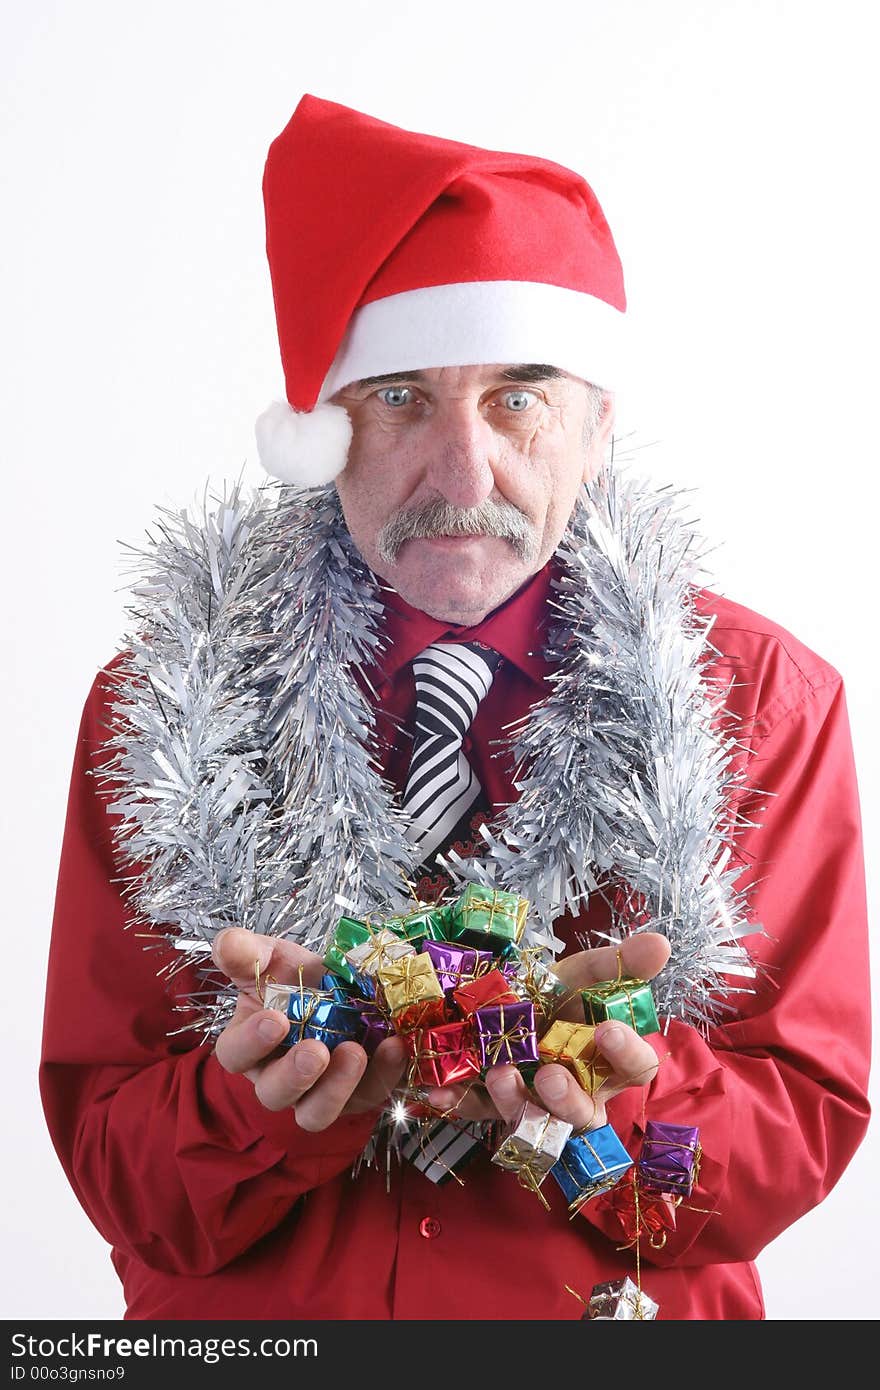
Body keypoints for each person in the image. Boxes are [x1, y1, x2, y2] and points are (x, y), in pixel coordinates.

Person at [40, 93, 870, 1321]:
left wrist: (599, 1101)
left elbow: (796, 1127)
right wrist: (255, 1106)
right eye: (400, 397)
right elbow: (117, 1165)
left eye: (518, 397)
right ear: (322, 430)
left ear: (596, 431)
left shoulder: (756, 700)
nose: (463, 474)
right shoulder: (165, 700)